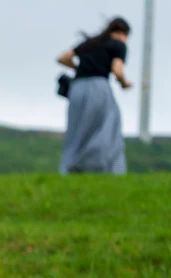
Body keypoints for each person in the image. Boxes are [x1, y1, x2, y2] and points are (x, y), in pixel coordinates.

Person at [57, 17, 133, 174]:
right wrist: (125, 83)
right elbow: (117, 71)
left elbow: (63, 58)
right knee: (108, 125)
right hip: (99, 87)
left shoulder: (90, 43)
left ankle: (70, 169)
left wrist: (78, 68)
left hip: (77, 88)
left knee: (77, 130)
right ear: (122, 33)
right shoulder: (118, 45)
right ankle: (104, 169)